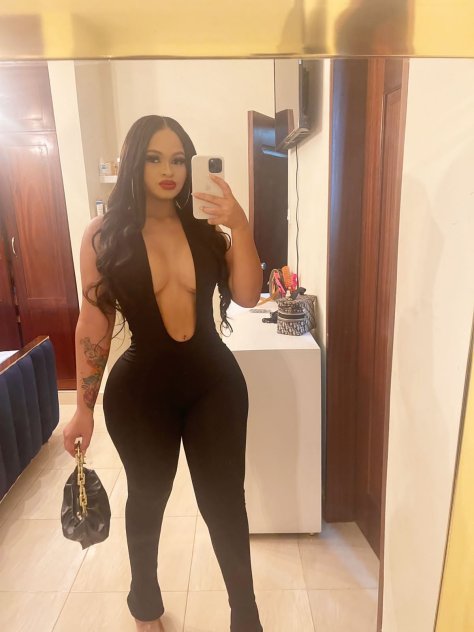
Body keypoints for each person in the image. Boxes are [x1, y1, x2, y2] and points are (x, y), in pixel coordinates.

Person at [63, 115, 264, 632]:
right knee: (148, 498)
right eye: (154, 158)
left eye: (178, 159)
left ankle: (246, 616)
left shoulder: (206, 230)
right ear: (135, 162)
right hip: (140, 393)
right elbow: (94, 322)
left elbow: (247, 295)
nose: (168, 170)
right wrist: (82, 408)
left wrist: (241, 226)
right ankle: (145, 603)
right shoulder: (104, 235)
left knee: (225, 502)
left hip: (214, 385)